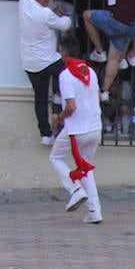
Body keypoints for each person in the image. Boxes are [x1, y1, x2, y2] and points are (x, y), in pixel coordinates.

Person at [49, 38, 105, 224]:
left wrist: (59, 117)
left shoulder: (65, 75)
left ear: (64, 54)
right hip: (95, 126)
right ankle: (94, 211)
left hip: (76, 128)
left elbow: (71, 106)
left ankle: (75, 189)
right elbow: (97, 97)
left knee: (56, 157)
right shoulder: (91, 71)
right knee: (86, 168)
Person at [18, 0, 73, 146]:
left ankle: (45, 134)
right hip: (48, 60)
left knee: (40, 98)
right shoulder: (45, 14)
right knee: (68, 77)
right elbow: (64, 25)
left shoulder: (23, 4)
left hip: (30, 62)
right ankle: (58, 95)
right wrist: (65, 16)